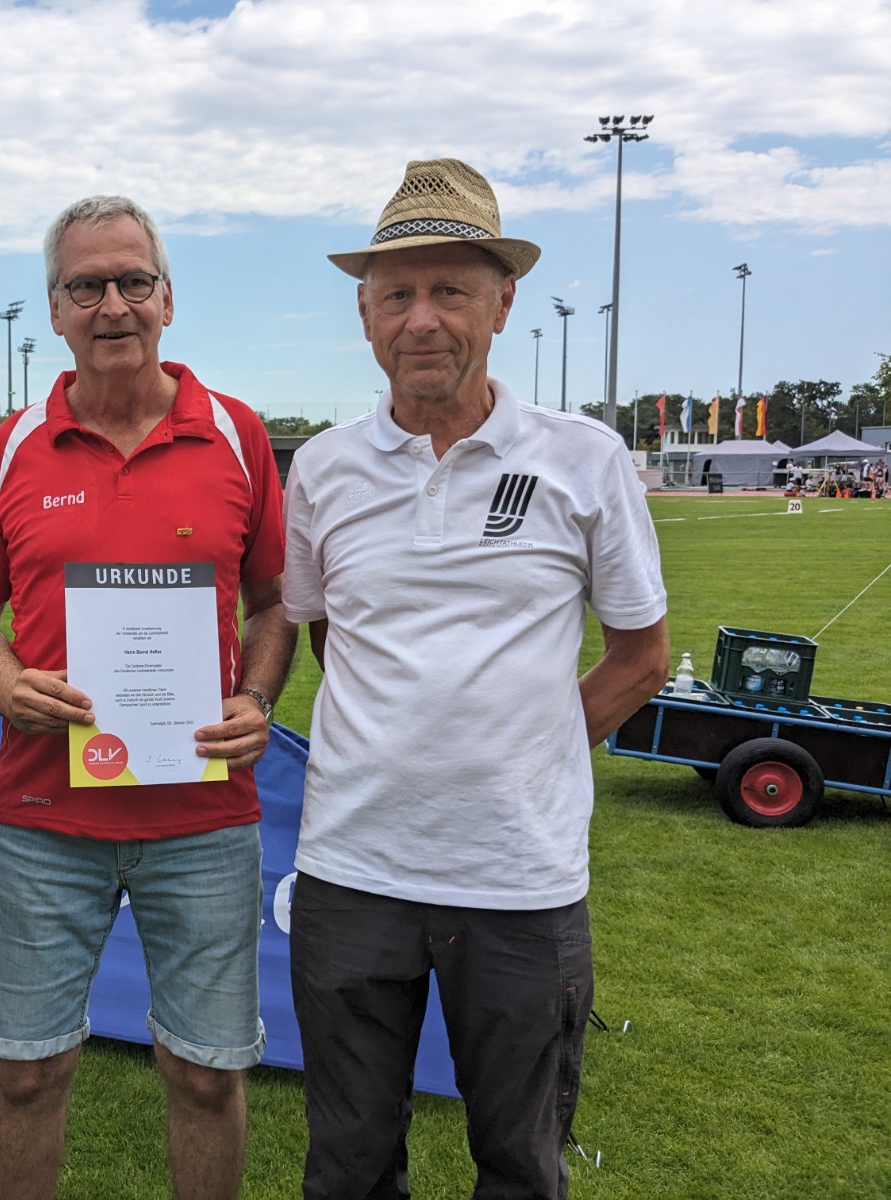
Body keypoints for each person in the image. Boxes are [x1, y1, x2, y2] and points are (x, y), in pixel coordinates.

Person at [282, 159, 669, 1199]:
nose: (422, 320)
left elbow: (642, 656)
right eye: (397, 294)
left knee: (519, 1166)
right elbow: (331, 636)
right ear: (365, 313)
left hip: (519, 879)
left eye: (450, 290)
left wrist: (526, 749)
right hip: (351, 872)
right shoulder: (322, 468)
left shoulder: (582, 458)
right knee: (348, 1168)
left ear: (502, 303)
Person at [0, 195, 296, 1199]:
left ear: (167, 299)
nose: (113, 305)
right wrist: (5, 681)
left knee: (206, 1072)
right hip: (46, 816)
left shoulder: (236, 435)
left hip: (203, 817)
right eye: (86, 285)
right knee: (26, 1070)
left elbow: (275, 605)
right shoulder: (15, 444)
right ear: (54, 309)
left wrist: (257, 695)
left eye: (133, 281)